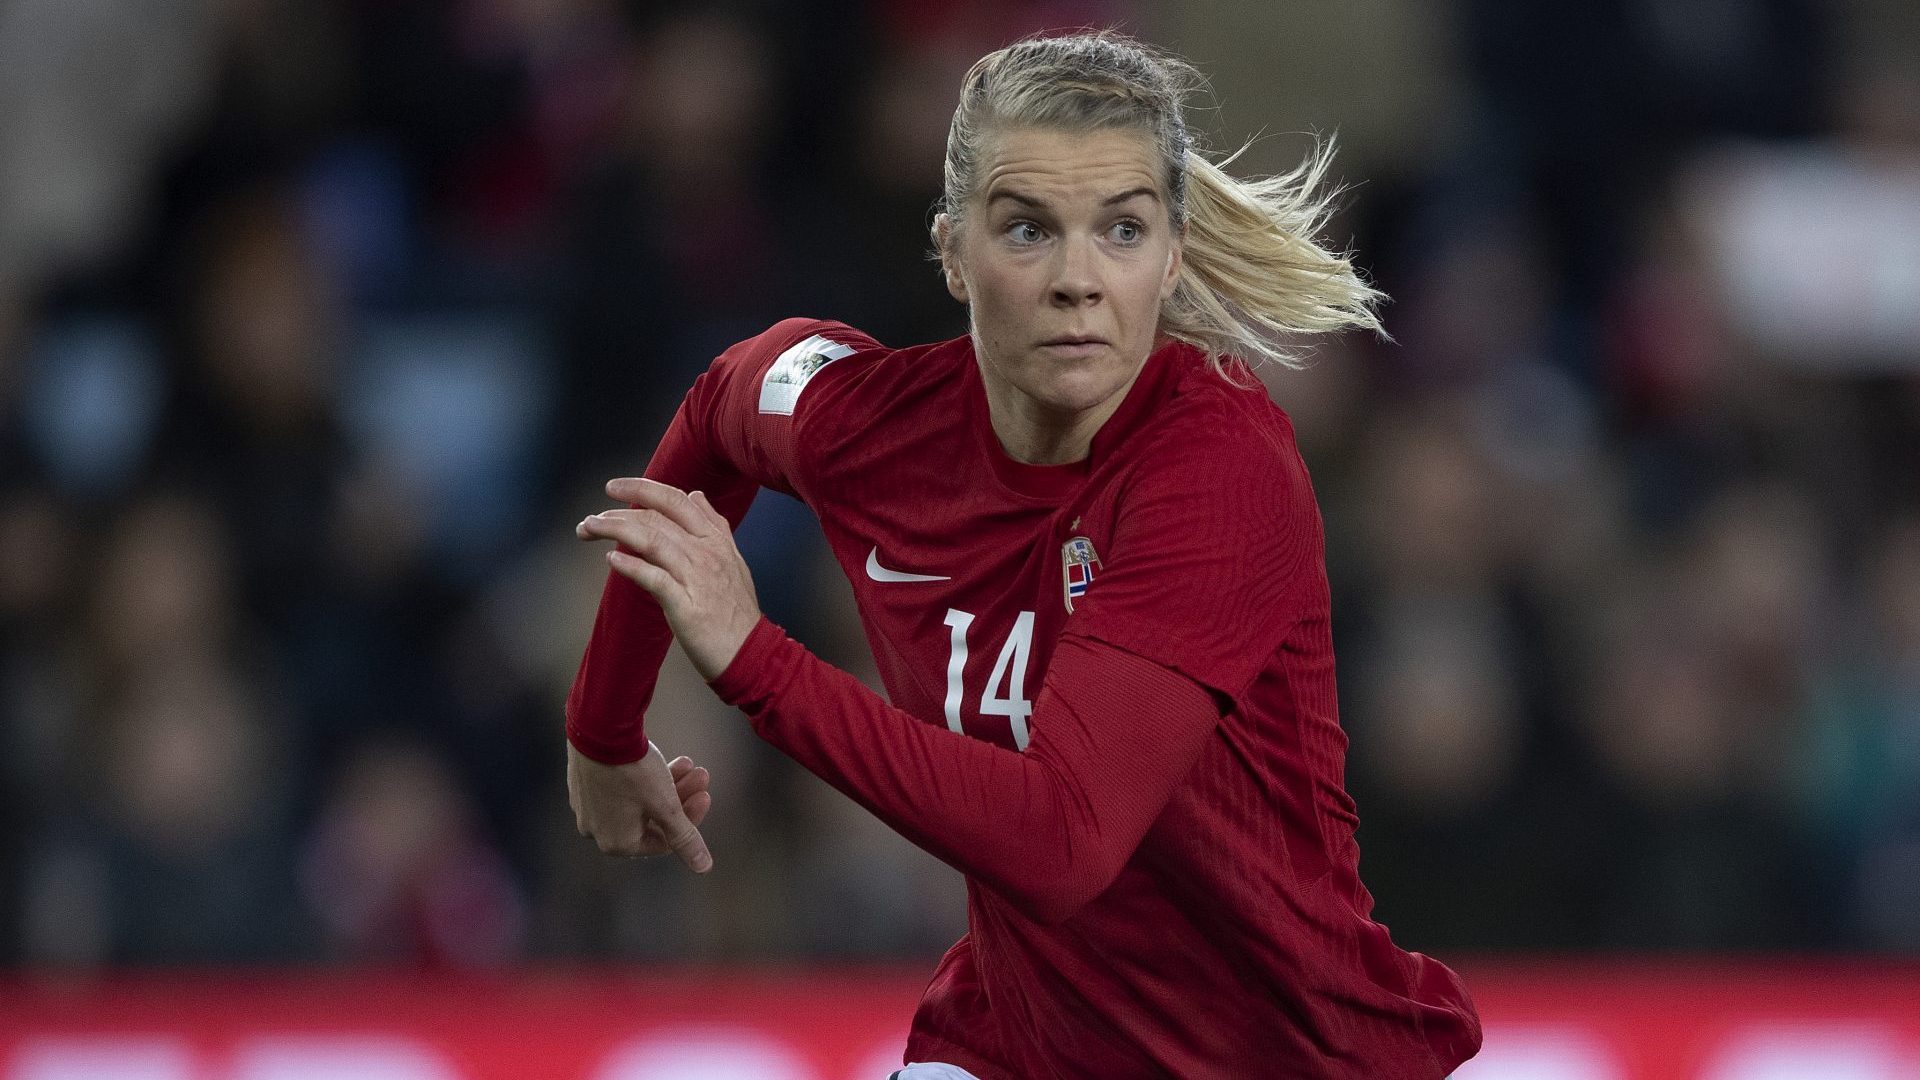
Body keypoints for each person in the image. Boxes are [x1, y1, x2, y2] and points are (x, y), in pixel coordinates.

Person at [565, 29, 1482, 1079]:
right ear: (954, 251)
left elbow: (1064, 840)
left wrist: (755, 660)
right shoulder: (867, 426)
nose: (1077, 281)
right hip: (1020, 1045)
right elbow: (719, 411)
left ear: (1172, 257)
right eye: (1028, 230)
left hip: (1290, 1058)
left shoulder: (1218, 470)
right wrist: (602, 731)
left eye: (1123, 231)